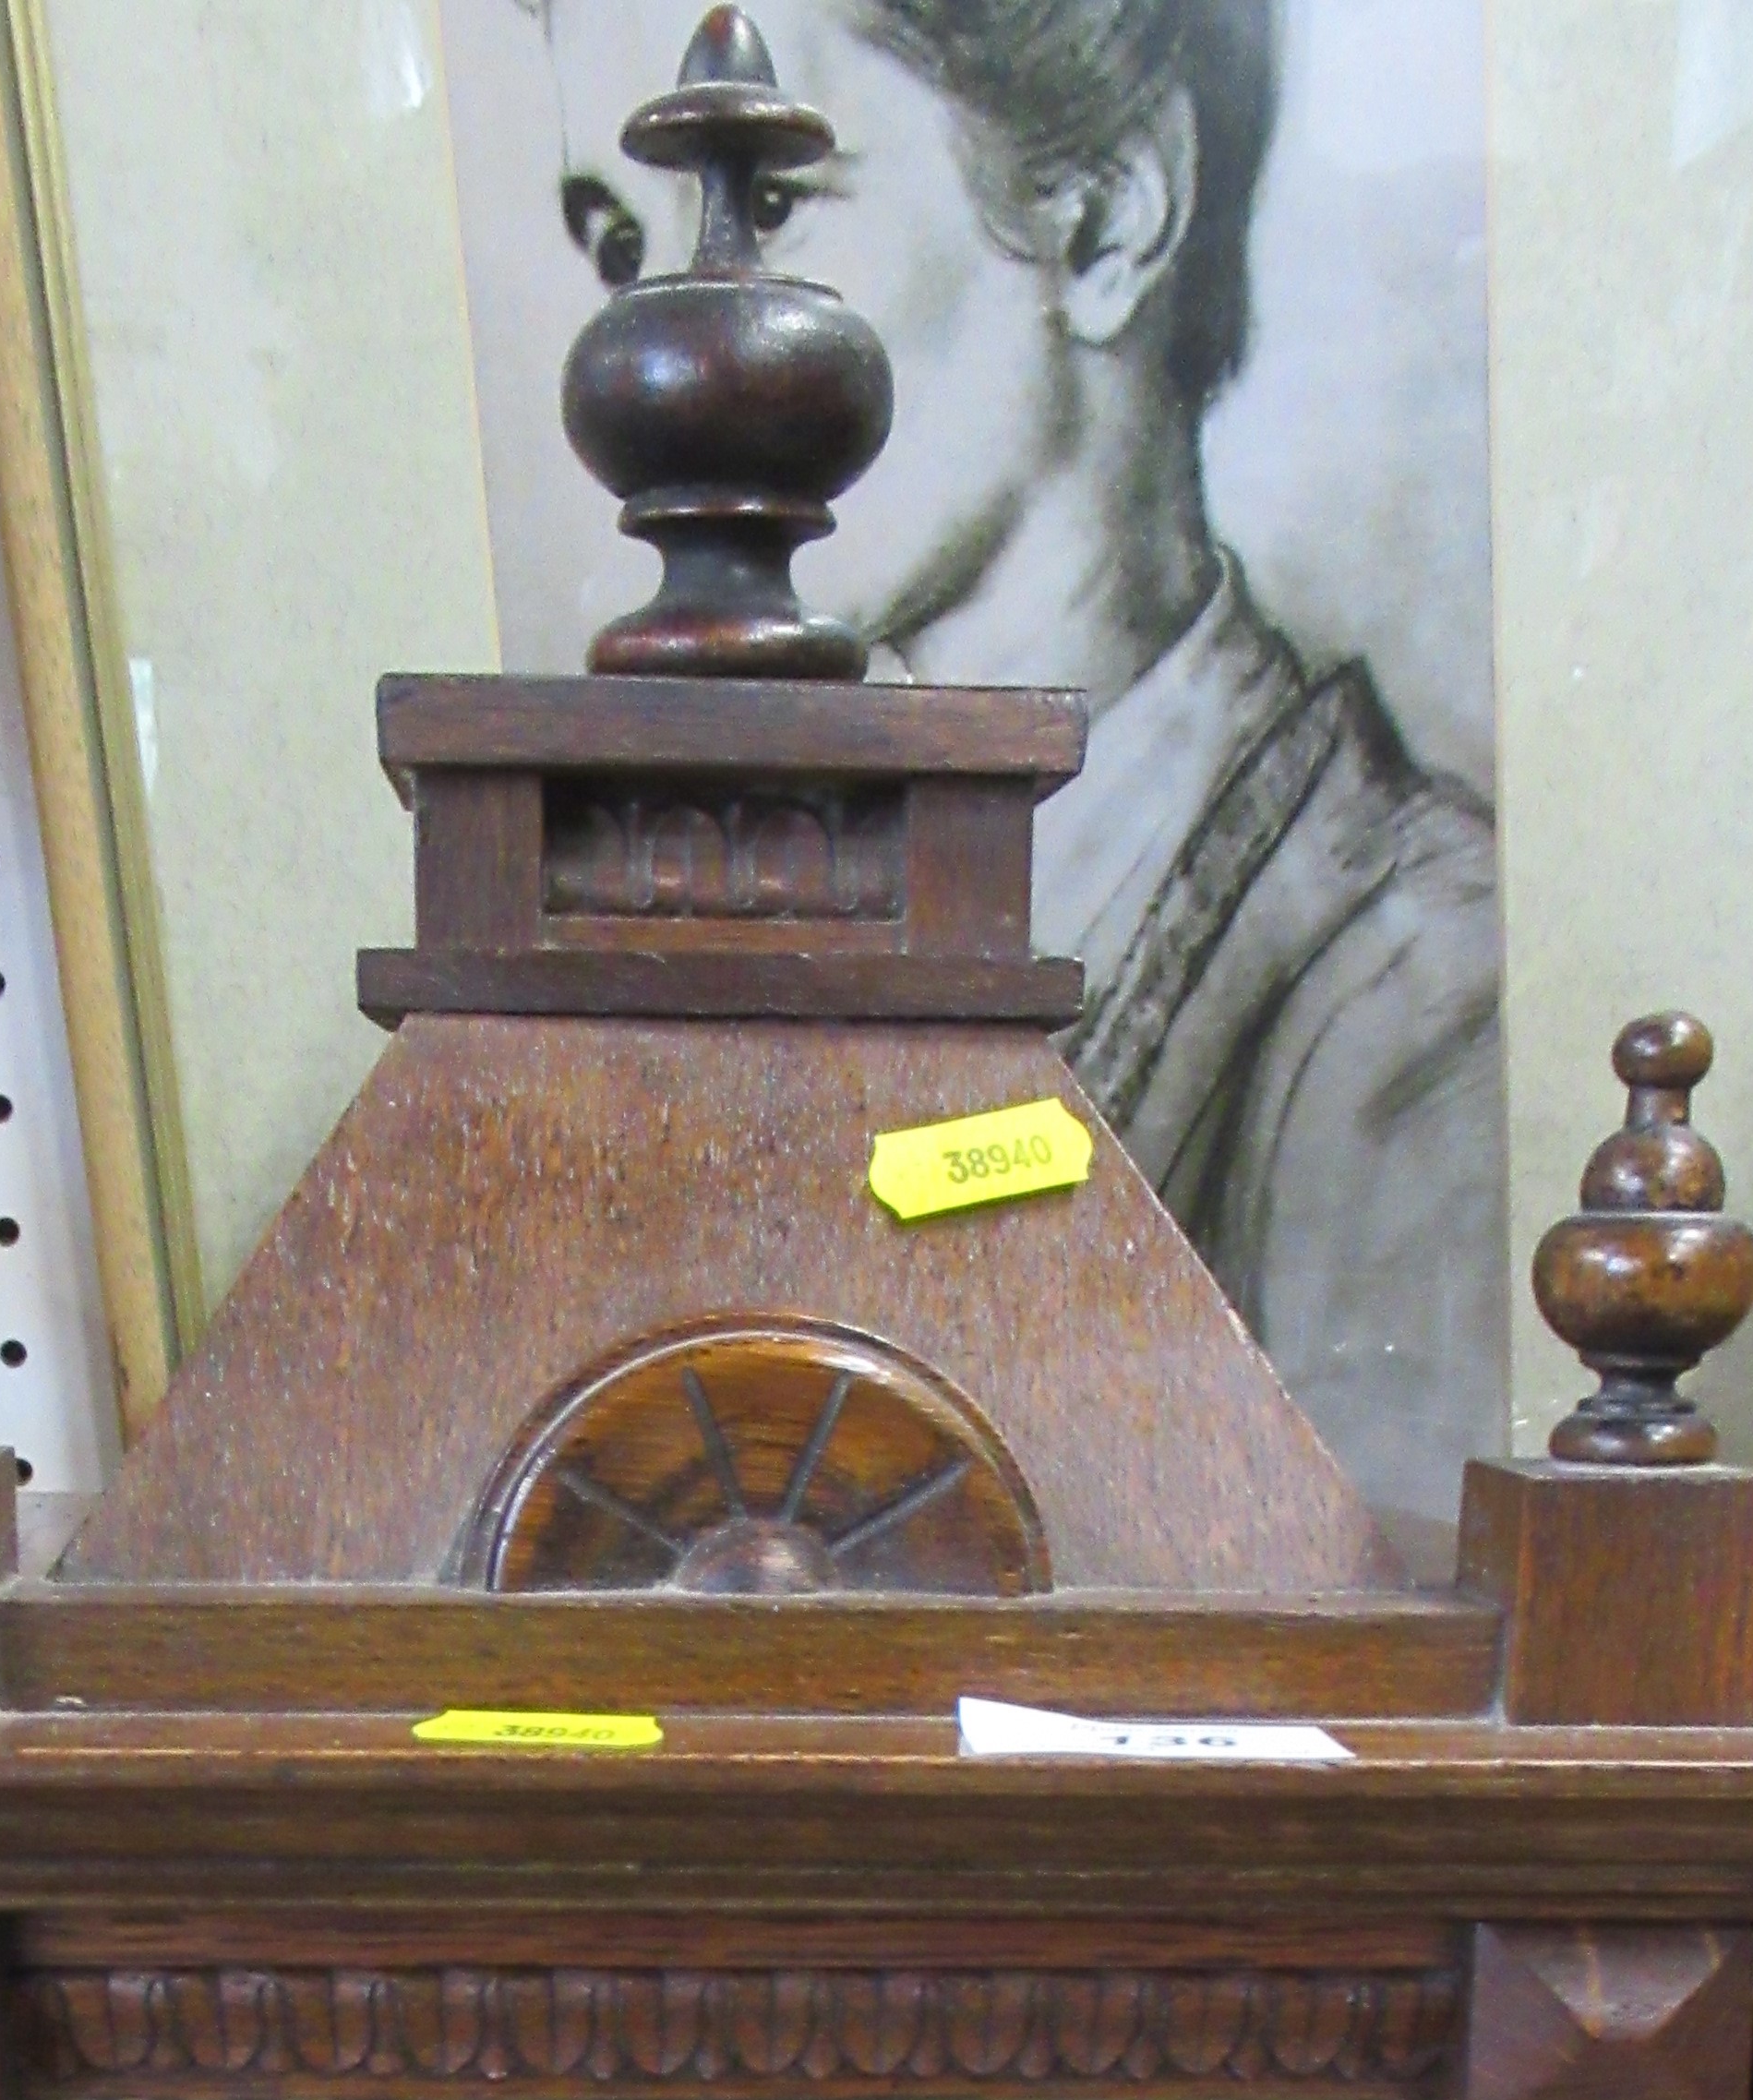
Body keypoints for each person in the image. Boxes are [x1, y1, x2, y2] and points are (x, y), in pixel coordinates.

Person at [531, 0, 1506, 1527]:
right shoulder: (756, 930)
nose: (663, 338)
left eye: (772, 203)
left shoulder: (1418, 995)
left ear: (1108, 213)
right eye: (614, 244)